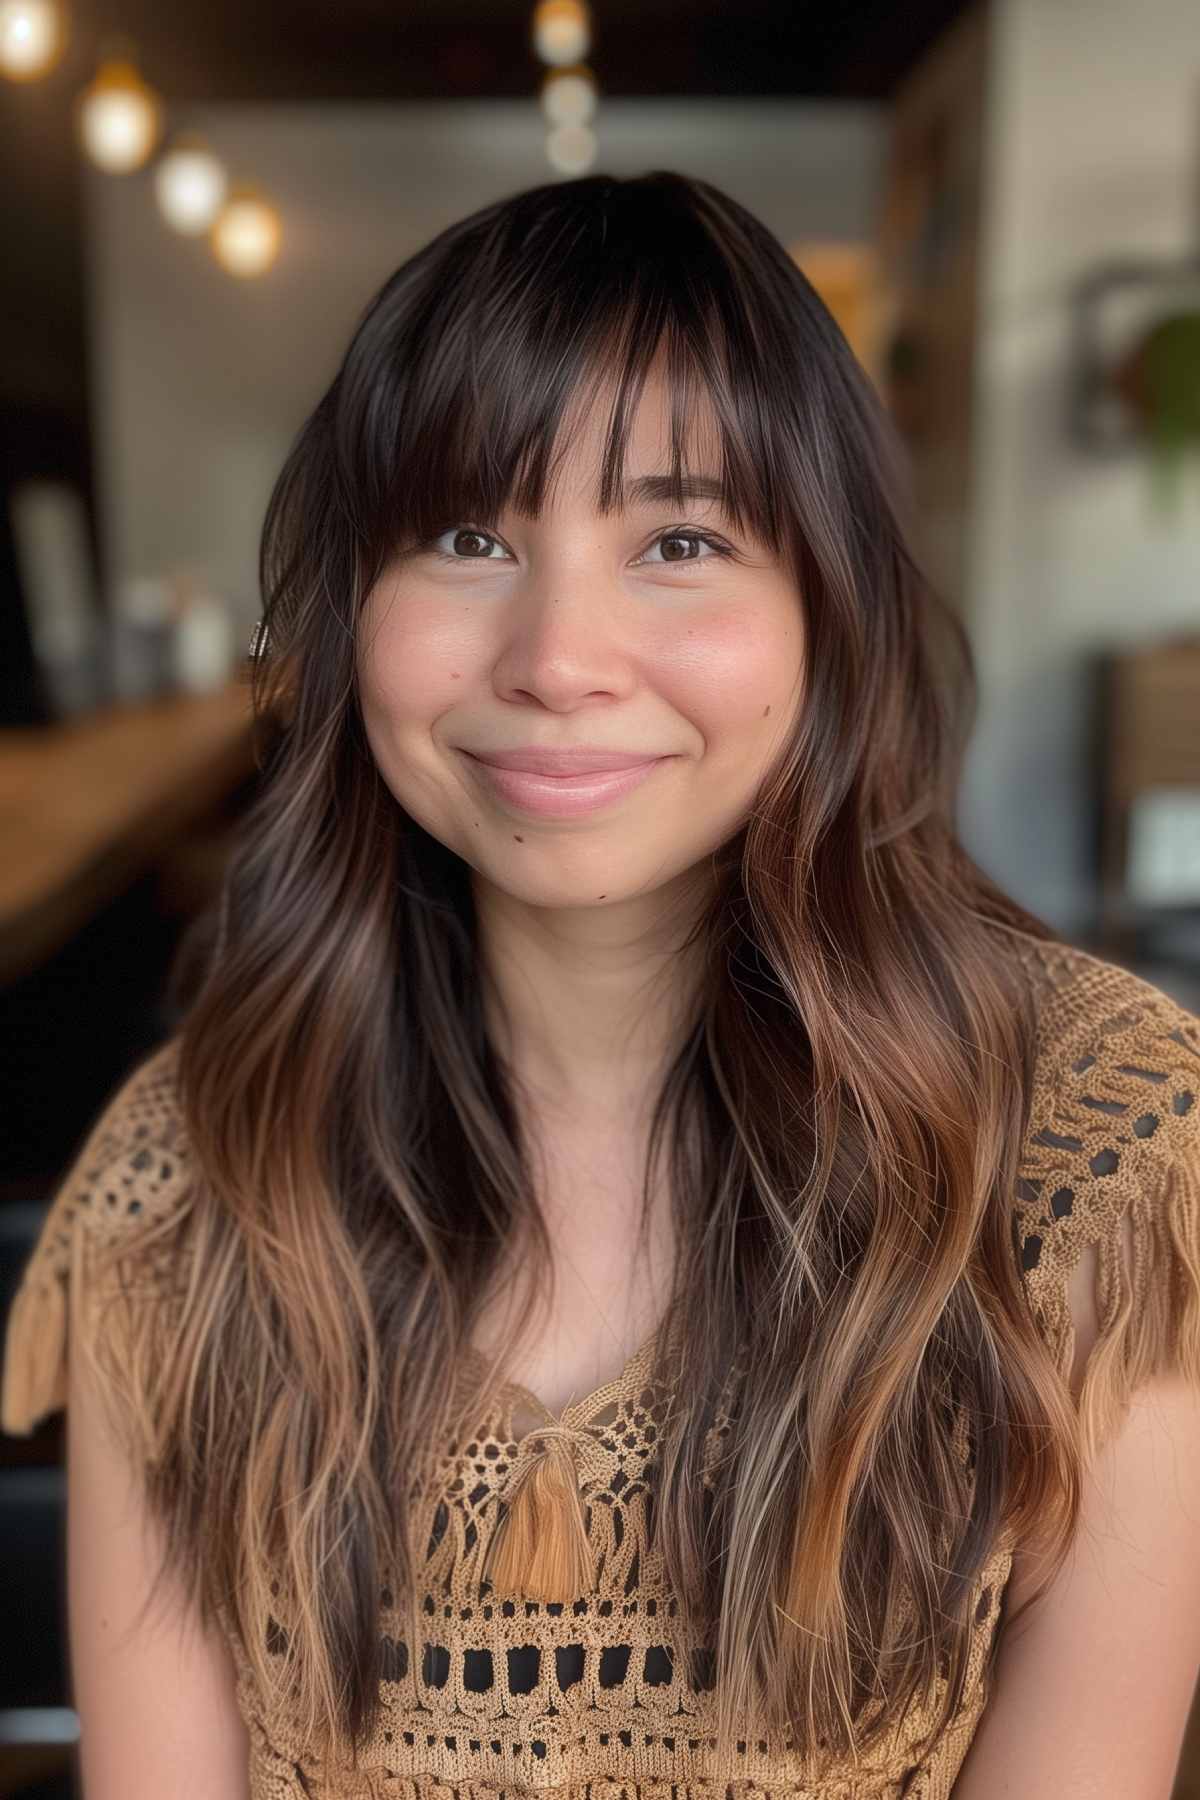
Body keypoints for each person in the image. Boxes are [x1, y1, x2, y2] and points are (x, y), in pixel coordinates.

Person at [4, 168, 1200, 1800]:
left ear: (828, 612)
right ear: (354, 607)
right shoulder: (188, 1177)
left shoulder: (1102, 1152)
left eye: (682, 539)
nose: (558, 656)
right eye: (471, 533)